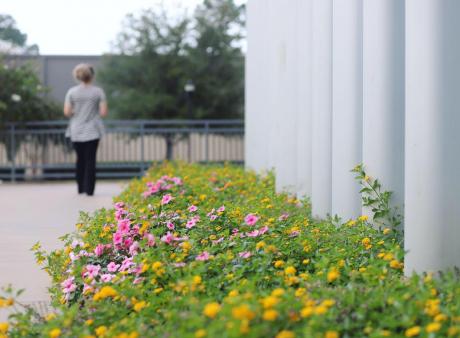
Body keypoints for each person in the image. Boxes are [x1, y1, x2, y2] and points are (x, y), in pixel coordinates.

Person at [64, 63, 108, 196]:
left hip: (76, 130)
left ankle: (80, 188)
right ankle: (89, 190)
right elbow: (103, 112)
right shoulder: (98, 91)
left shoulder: (71, 92)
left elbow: (67, 112)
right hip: (93, 131)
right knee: (91, 160)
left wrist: (77, 111)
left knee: (80, 159)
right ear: (91, 76)